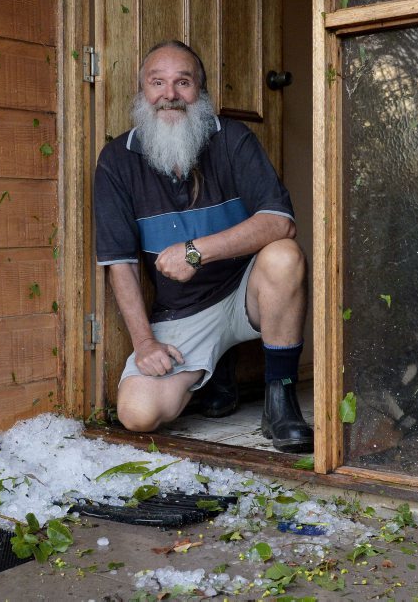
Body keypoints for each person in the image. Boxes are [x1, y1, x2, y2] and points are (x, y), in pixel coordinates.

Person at [93, 40, 313, 453]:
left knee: (285, 257)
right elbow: (119, 263)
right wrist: (145, 344)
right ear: (142, 94)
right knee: (137, 414)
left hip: (246, 293)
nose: (170, 95)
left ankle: (281, 401)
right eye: (157, 83)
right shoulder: (116, 160)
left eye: (183, 82)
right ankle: (216, 372)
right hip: (184, 311)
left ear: (202, 93)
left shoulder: (231, 138)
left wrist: (196, 251)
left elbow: (280, 222)